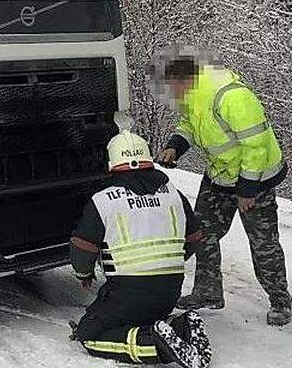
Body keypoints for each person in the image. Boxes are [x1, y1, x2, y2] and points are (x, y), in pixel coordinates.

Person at [156, 55, 292, 326]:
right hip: (219, 177)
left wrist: (248, 190)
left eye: (172, 88)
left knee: (263, 243)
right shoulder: (192, 98)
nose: (171, 95)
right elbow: (189, 126)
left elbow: (256, 146)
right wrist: (175, 146)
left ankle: (280, 301)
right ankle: (208, 292)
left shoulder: (232, 96)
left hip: (256, 180)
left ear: (187, 80)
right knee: (201, 232)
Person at [70, 130, 211, 368]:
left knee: (89, 334)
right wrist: (170, 259)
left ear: (112, 162)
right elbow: (196, 237)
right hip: (170, 290)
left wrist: (84, 274)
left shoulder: (103, 200)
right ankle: (182, 327)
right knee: (146, 317)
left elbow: (81, 246)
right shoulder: (174, 194)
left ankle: (155, 345)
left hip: (128, 293)